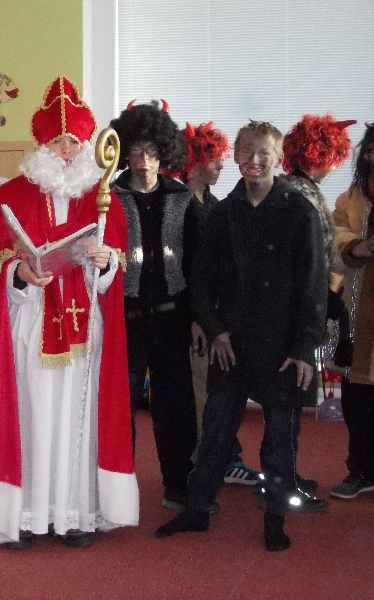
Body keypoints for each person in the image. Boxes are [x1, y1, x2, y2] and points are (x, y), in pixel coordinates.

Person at [0, 76, 138, 549]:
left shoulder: (102, 198)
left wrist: (105, 262)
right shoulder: (9, 197)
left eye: (74, 142)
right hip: (31, 323)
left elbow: (115, 275)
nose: (66, 151)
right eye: (58, 142)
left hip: (84, 328)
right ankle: (22, 515)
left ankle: (73, 514)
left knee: (77, 419)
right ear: (42, 145)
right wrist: (18, 272)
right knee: (32, 416)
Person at [156, 121, 327, 551]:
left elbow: (313, 286)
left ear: (279, 158)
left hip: (284, 345)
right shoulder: (223, 213)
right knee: (215, 431)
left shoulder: (299, 211)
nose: (254, 159)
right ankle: (197, 509)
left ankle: (275, 517)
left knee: (280, 440)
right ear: (235, 155)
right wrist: (215, 329)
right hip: (231, 343)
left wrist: (304, 347)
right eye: (247, 151)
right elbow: (203, 280)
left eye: (264, 152)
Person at [109, 100, 200, 512]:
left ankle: (178, 483)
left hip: (171, 318)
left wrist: (197, 318)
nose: (143, 159)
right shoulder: (107, 198)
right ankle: (116, 487)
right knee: (120, 406)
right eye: (135, 150)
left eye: (151, 150)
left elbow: (197, 264)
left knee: (176, 406)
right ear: (123, 151)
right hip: (123, 321)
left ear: (164, 152)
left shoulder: (183, 199)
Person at [177, 122, 260, 488]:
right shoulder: (181, 204)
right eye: (214, 159)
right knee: (202, 391)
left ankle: (222, 455)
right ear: (195, 160)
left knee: (214, 389)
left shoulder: (212, 204)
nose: (221, 166)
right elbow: (186, 267)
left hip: (214, 313)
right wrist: (197, 317)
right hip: (194, 314)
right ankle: (215, 460)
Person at [281, 114, 356, 508]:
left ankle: (285, 476)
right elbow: (317, 261)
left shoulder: (295, 189)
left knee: (290, 402)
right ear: (322, 155)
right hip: (297, 314)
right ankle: (282, 483)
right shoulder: (302, 196)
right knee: (289, 400)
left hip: (297, 310)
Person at [328, 123, 374, 501]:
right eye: (371, 151)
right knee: (356, 401)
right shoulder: (352, 198)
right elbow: (335, 236)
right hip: (357, 315)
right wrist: (358, 246)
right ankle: (360, 470)